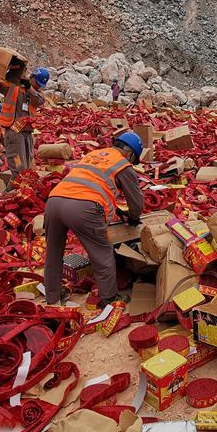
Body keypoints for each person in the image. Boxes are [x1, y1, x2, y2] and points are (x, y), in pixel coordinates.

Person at [43, 131, 145, 307]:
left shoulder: (94, 155)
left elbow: (90, 182)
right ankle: (110, 298)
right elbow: (136, 201)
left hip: (54, 202)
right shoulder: (123, 164)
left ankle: (52, 297)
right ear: (130, 154)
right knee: (102, 252)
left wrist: (117, 210)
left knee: (53, 252)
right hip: (84, 207)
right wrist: (134, 217)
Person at [0, 66, 49, 175]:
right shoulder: (14, 88)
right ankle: (16, 189)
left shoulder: (35, 93)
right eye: (37, 83)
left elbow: (39, 101)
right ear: (32, 77)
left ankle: (14, 189)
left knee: (26, 167)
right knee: (18, 165)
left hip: (26, 132)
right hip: (14, 131)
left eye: (40, 85)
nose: (38, 86)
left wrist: (29, 87)